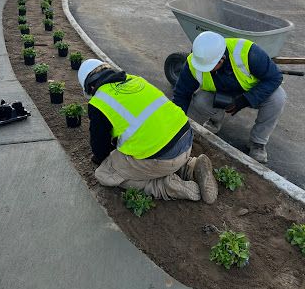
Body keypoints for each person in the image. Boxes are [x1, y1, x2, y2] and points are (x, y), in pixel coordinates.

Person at [77, 59, 218, 203]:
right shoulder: (136, 80)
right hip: (186, 139)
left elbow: (99, 148)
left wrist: (107, 160)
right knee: (160, 151)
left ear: (91, 86)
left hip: (162, 158)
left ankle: (165, 186)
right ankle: (190, 167)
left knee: (105, 174)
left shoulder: (99, 102)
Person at [173, 31, 286, 164]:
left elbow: (275, 77)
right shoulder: (194, 61)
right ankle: (215, 121)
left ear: (222, 59)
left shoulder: (248, 52)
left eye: (209, 67)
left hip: (250, 92)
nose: (205, 70)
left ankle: (258, 143)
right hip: (220, 94)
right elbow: (181, 94)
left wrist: (246, 99)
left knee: (278, 97)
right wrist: (176, 124)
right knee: (200, 100)